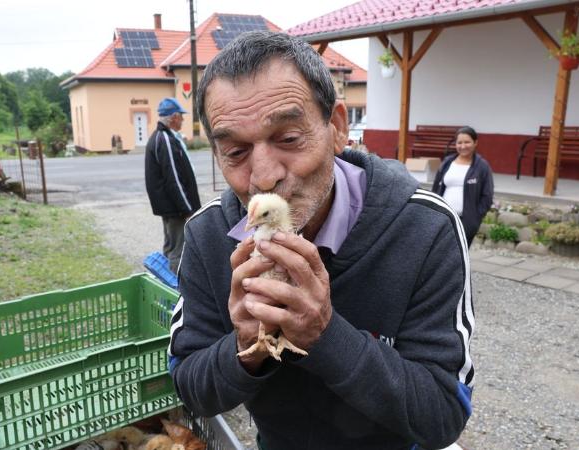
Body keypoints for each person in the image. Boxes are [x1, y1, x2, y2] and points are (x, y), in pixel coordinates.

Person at [168, 31, 473, 450]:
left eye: (289, 139)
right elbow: (192, 391)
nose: (263, 176)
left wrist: (325, 334)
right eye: (236, 152)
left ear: (336, 128)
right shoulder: (207, 236)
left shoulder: (425, 229)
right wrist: (245, 346)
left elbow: (442, 416)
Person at [144, 97, 201, 272]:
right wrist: (187, 208)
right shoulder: (165, 140)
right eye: (181, 116)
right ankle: (176, 290)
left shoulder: (163, 137)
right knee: (178, 250)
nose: (183, 120)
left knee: (170, 247)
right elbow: (173, 178)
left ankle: (165, 283)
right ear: (174, 117)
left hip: (169, 206)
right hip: (175, 208)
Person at [431, 127, 495, 247]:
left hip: (466, 221)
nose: (463, 146)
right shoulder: (447, 162)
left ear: (475, 143)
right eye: (459, 142)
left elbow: (487, 196)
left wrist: (475, 216)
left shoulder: (481, 166)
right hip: (443, 218)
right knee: (439, 252)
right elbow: (436, 188)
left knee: (458, 254)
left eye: (467, 142)